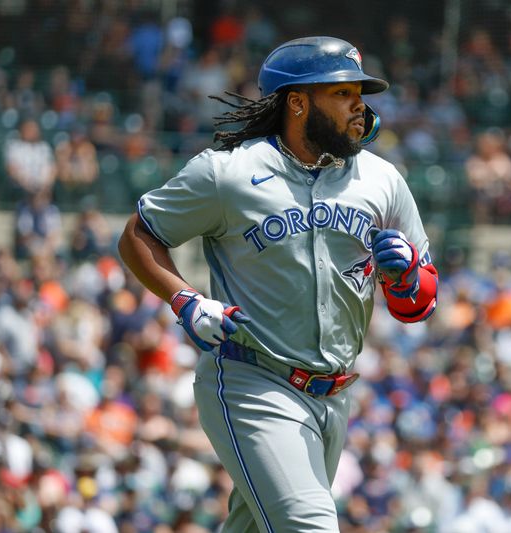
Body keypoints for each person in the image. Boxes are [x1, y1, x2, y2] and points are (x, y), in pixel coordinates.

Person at [118, 36, 438, 532]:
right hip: (253, 379)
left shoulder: (382, 180)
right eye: (342, 93)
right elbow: (140, 234)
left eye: (360, 93)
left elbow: (418, 306)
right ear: (297, 101)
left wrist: (405, 277)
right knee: (308, 525)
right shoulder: (229, 174)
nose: (360, 105)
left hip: (333, 396)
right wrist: (185, 300)